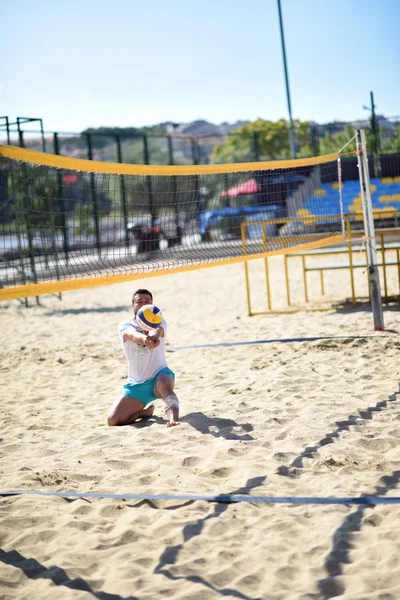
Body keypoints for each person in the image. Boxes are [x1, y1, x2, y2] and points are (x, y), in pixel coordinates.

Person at [107, 289, 180, 428]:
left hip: (160, 375)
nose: (143, 304)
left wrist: (154, 337)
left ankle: (173, 419)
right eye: (139, 301)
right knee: (113, 421)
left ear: (152, 304)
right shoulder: (125, 325)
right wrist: (146, 339)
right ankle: (142, 413)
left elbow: (157, 330)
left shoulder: (159, 320)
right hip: (137, 384)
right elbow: (133, 335)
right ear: (133, 305)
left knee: (164, 384)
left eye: (147, 301)